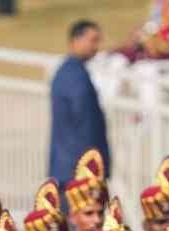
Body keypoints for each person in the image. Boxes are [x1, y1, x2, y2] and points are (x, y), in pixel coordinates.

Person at [48, 21, 109, 206]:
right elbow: (85, 123)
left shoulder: (68, 71)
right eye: (92, 40)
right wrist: (92, 166)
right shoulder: (75, 76)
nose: (96, 47)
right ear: (76, 40)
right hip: (78, 170)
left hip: (68, 166)